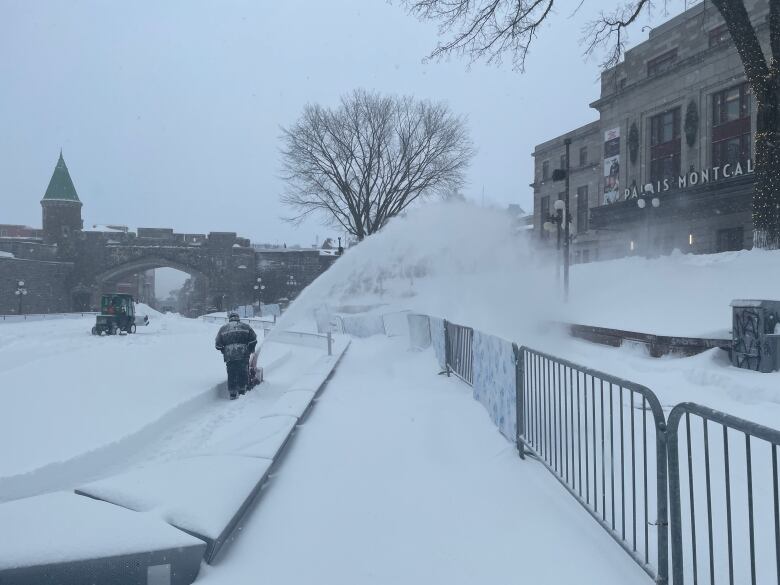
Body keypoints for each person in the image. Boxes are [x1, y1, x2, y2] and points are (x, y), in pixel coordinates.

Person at [214, 312, 258, 400]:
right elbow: (253, 340)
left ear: (230, 318)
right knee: (243, 372)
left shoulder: (223, 329)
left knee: (232, 373)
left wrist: (224, 350)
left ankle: (233, 394)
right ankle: (242, 391)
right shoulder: (246, 327)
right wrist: (249, 349)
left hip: (230, 356)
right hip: (243, 354)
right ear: (238, 318)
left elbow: (218, 345)